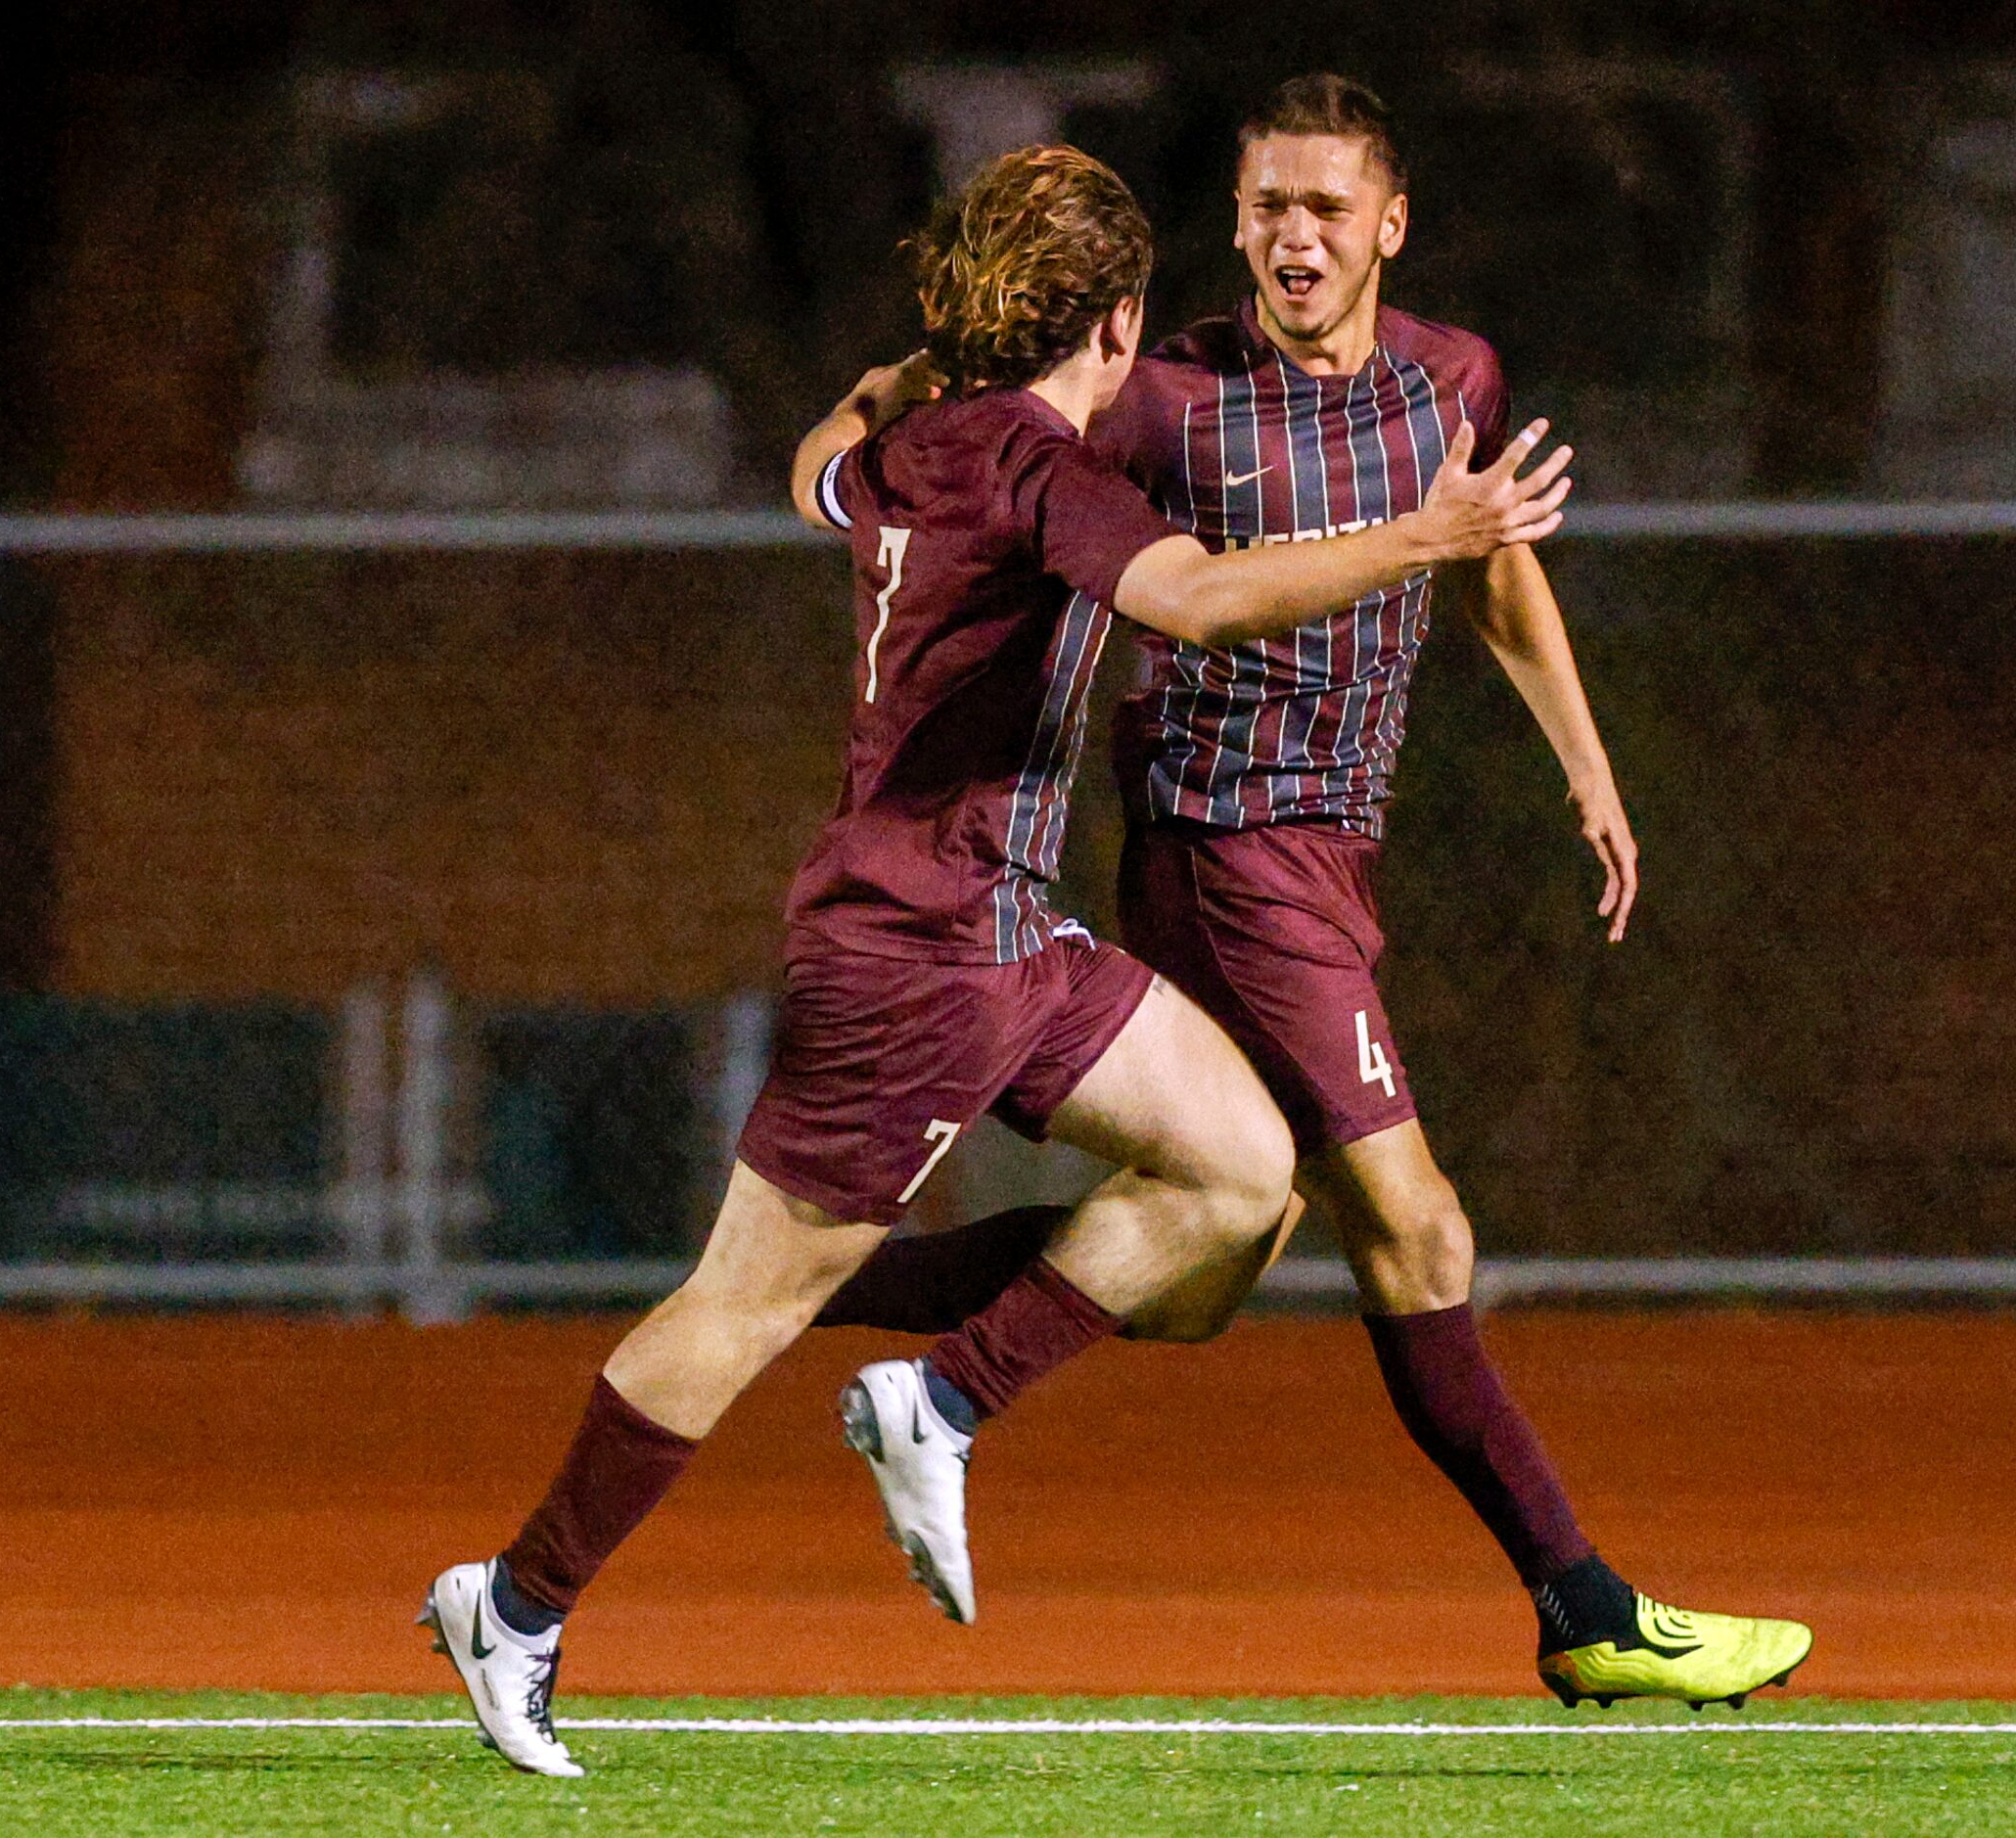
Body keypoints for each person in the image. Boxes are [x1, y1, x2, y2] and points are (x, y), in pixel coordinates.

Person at [417, 141, 1574, 1776]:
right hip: (910, 954)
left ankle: (940, 1400)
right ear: (1109, 322)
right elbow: (1199, 599)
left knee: (1243, 1170)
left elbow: (813, 467)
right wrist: (1423, 536)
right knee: (741, 1303)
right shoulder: (1039, 474)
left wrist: (872, 382)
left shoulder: (913, 447)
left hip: (1013, 931)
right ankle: (518, 1603)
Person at [814, 78, 1810, 1713]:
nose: (1295, 234)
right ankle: (1585, 1605)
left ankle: (809, 1277)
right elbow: (942, 404)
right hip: (1223, 849)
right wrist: (851, 436)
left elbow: (1483, 551)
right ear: (1235, 221)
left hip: (1338, 855)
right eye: (1269, 203)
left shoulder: (1452, 377)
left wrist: (1587, 758)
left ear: (1388, 226)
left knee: (1209, 1260)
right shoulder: (1168, 396)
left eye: (1327, 208)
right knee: (1418, 1229)